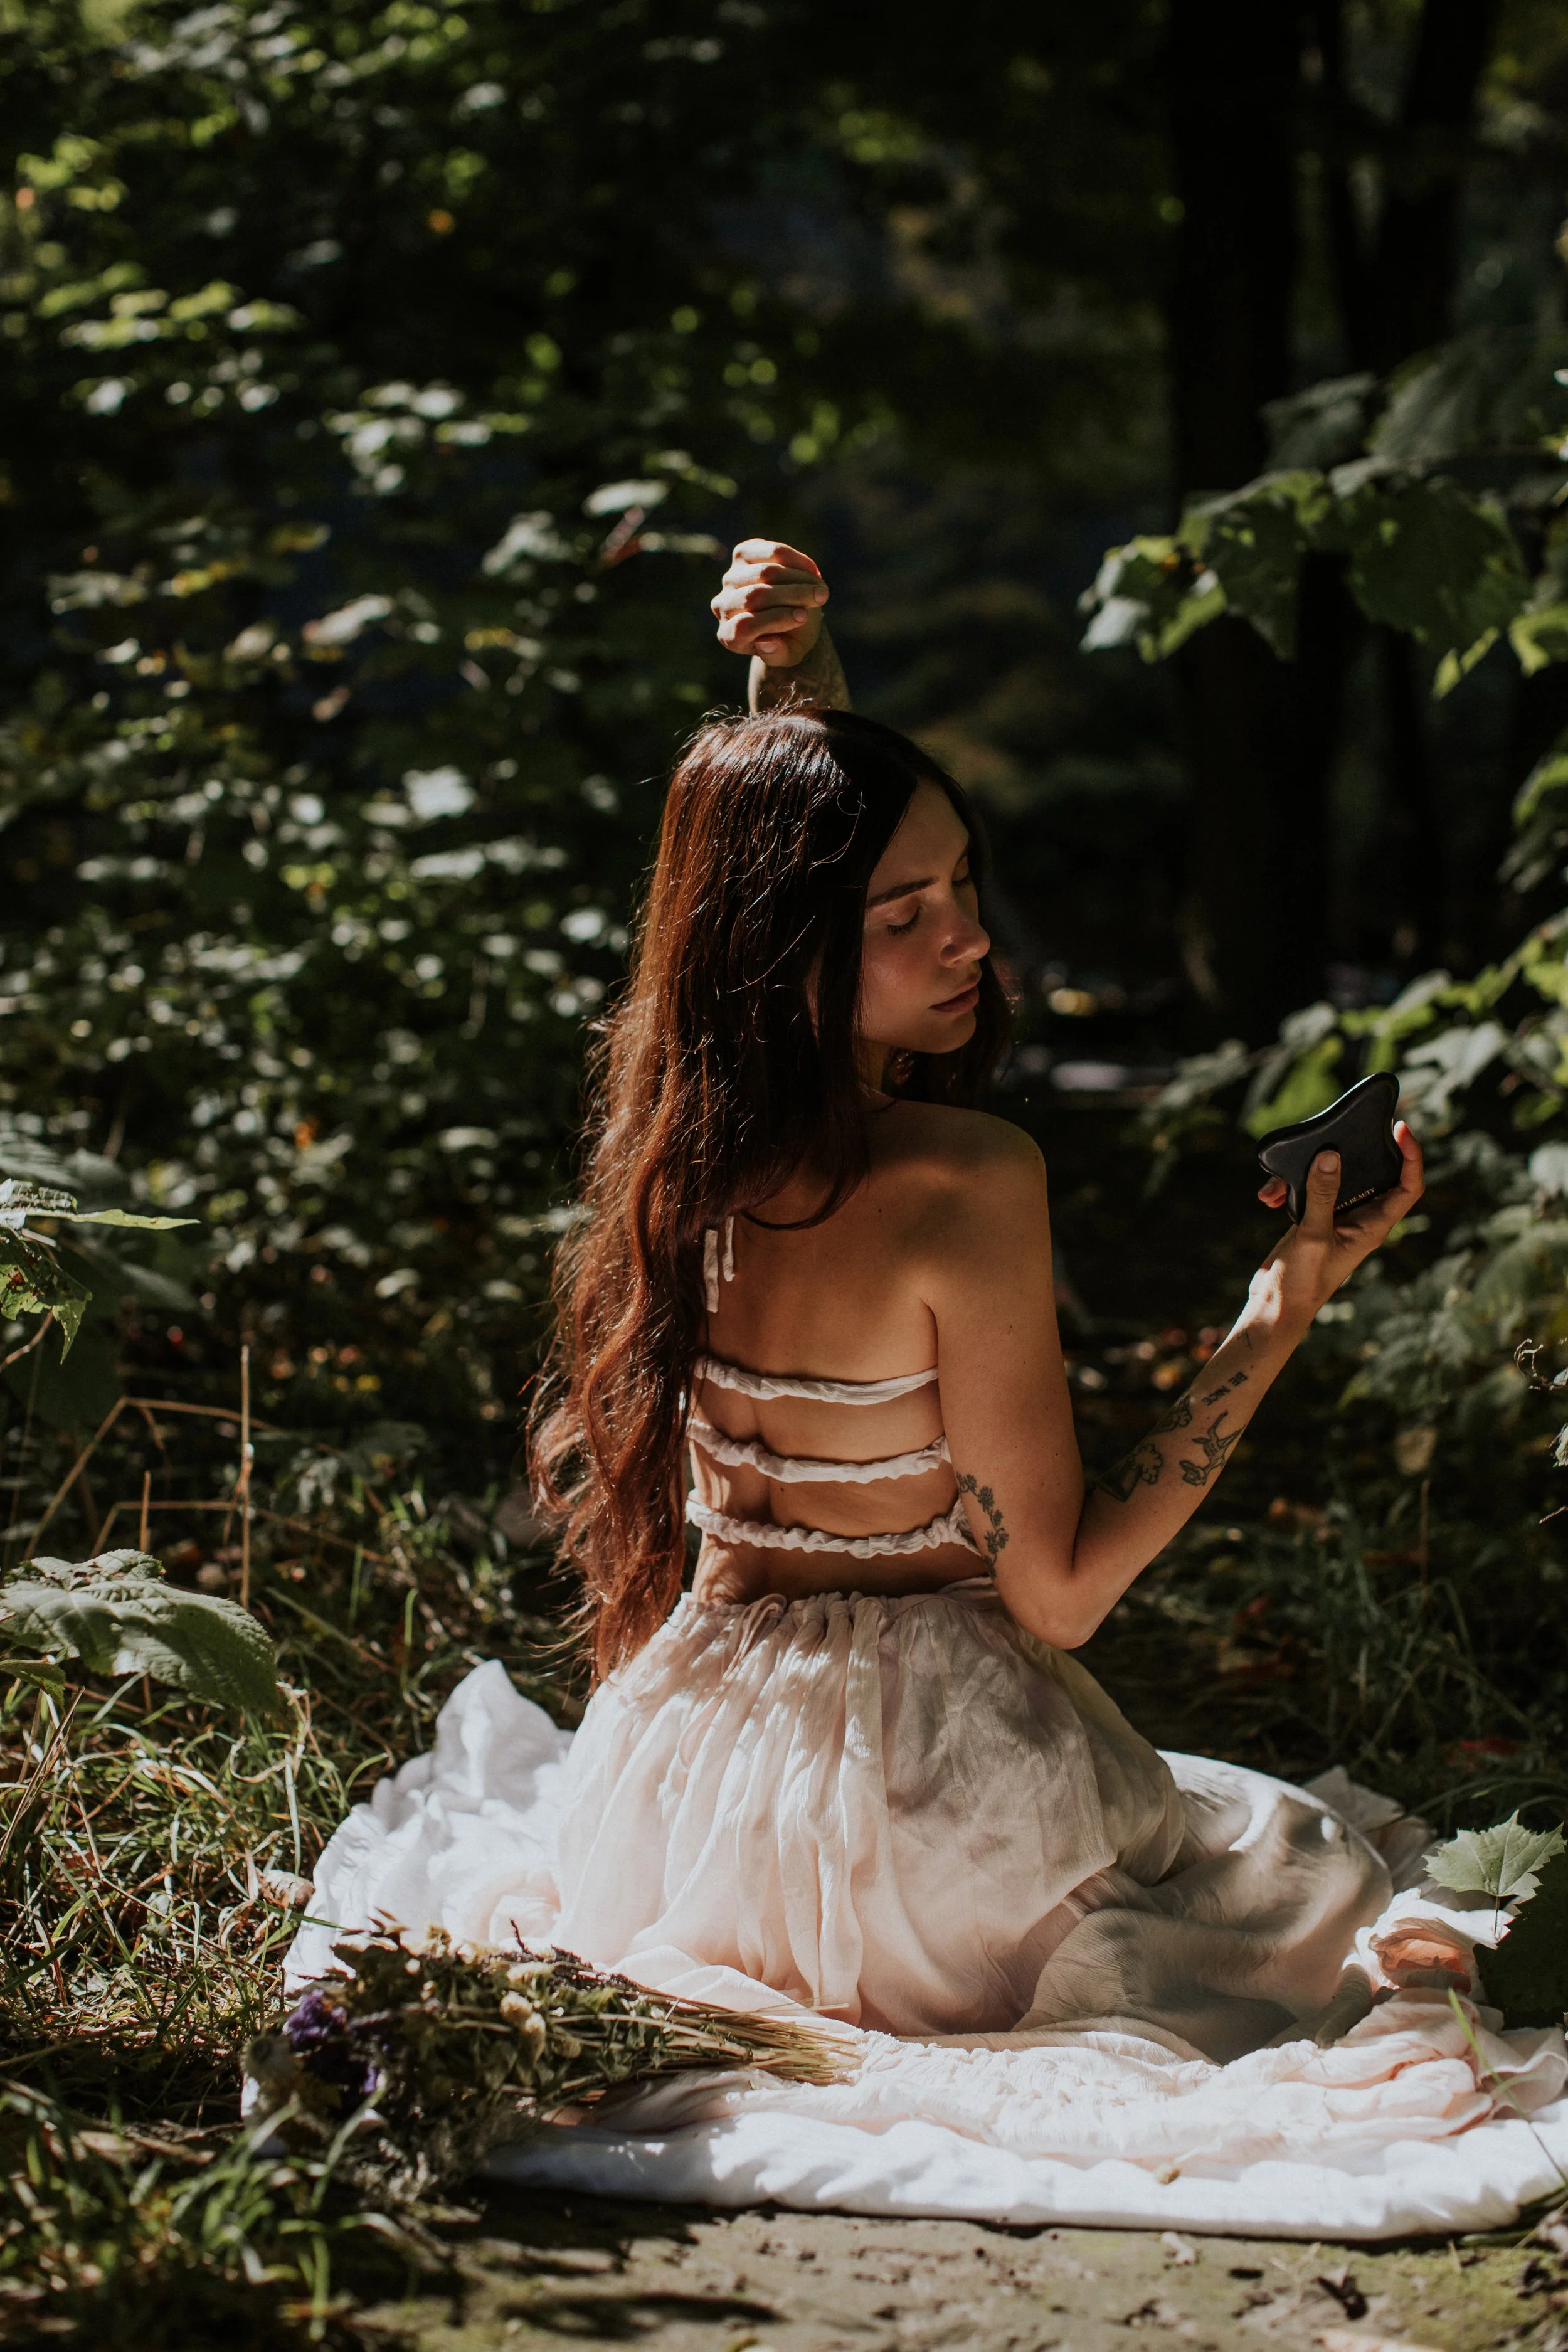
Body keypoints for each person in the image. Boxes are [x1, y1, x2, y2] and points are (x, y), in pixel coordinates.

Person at [294, 535, 1451, 2074]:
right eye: (903, 916)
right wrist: (1277, 1306)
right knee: (1308, 1879)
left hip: (679, 1812)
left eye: (962, 884)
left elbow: (773, 847)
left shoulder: (674, 1152)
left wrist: (790, 679)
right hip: (929, 1832)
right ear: (784, 946)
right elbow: (1057, 1598)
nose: (966, 937)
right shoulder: (965, 1180)